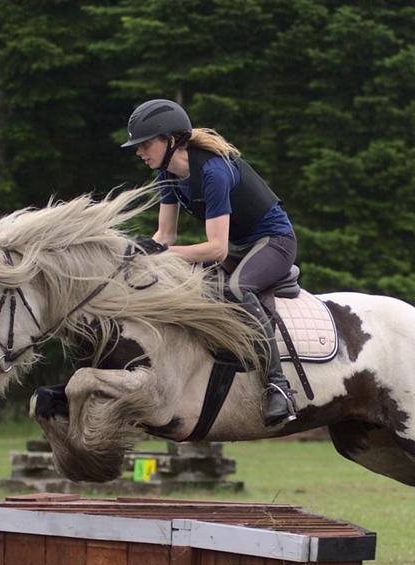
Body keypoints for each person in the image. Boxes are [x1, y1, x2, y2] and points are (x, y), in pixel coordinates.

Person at [121, 98, 298, 426]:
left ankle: (279, 387)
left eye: (145, 144)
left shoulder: (214, 172)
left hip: (273, 242)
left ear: (171, 140)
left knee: (236, 288)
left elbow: (215, 249)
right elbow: (165, 237)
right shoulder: (167, 175)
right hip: (238, 248)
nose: (139, 152)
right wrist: (135, 258)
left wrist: (160, 254)